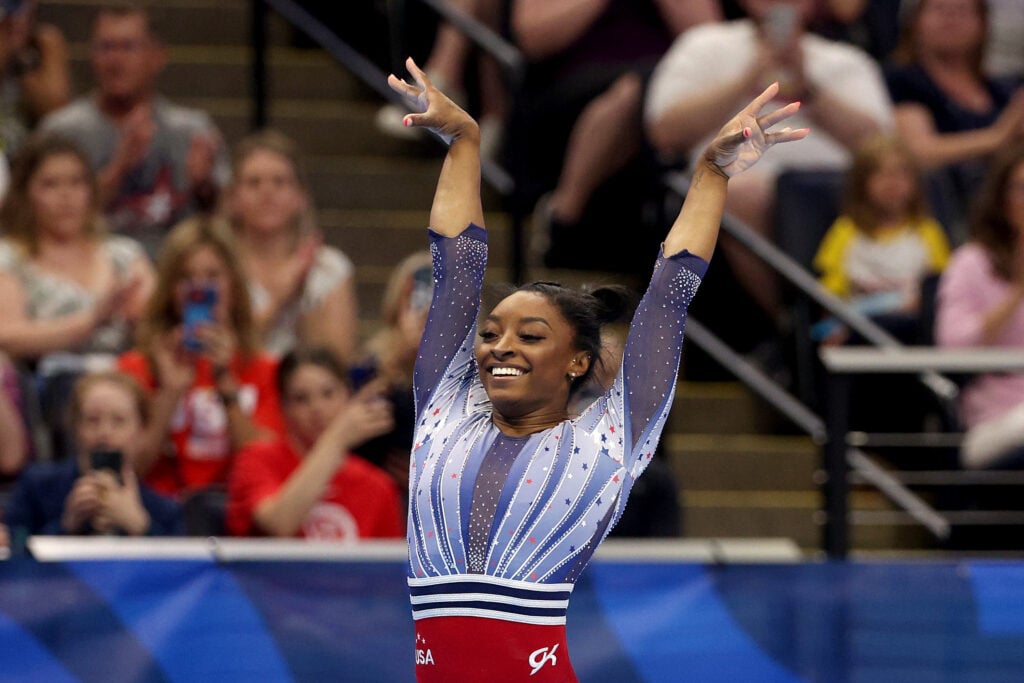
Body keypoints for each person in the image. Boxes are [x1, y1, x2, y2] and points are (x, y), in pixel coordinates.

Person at [387, 57, 807, 681]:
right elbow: (456, 270)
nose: (501, 346)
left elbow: (668, 296)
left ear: (578, 360)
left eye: (531, 336)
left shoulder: (607, 441)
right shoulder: (443, 412)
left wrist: (710, 176)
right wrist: (465, 143)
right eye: (493, 332)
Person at [645, 0, 892, 321]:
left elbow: (883, 146)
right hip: (740, 186)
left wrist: (807, 87)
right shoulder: (705, 45)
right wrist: (749, 79)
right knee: (741, 195)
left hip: (834, 190)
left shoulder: (845, 60)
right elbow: (665, 132)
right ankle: (794, 324)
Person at [509, 0, 722, 273]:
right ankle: (563, 215)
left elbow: (714, 42)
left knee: (659, 94)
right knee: (634, 92)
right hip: (573, 87)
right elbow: (532, 37)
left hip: (664, 83)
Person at [0, 132, 154, 458]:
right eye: (50, 185)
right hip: (49, 389)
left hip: (127, 381)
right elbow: (7, 335)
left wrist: (139, 319)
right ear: (26, 194)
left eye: (76, 183)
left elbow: (156, 324)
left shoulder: (124, 254)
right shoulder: (10, 258)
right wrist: (89, 322)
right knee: (81, 390)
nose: (66, 196)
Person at [39, 2, 228, 257]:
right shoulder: (60, 133)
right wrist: (119, 168)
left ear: (157, 57)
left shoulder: (192, 131)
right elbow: (35, 222)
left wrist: (205, 189)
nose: (115, 59)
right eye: (106, 47)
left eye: (128, 47)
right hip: (87, 270)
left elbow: (230, 225)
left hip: (174, 277)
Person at [118, 216, 284, 499]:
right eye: (186, 278)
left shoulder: (268, 369)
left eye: (212, 277)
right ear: (170, 289)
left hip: (237, 514)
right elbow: (129, 469)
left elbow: (271, 471)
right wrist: (169, 393)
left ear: (233, 285)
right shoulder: (135, 367)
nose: (199, 289)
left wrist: (227, 386)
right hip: (159, 516)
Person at [226, 347, 403, 540]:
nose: (317, 408)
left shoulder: (378, 486)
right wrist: (336, 440)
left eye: (328, 394)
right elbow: (279, 524)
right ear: (283, 407)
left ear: (347, 396)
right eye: (301, 399)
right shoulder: (256, 459)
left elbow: (389, 565)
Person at [1, 370, 184, 551]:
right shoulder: (37, 487)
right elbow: (15, 556)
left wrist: (142, 527)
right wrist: (66, 527)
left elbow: (184, 572)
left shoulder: (164, 511)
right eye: (92, 420)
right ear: (75, 427)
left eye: (118, 421)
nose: (104, 433)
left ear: (141, 431)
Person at [885, 0, 1024, 238]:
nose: (951, 19)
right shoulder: (903, 80)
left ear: (983, 23)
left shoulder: (1001, 89)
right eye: (940, 9)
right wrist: (997, 138)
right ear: (915, 20)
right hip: (950, 213)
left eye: (963, 11)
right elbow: (919, 152)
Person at [227, 129, 359, 362]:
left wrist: (303, 297)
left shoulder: (329, 267)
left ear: (301, 196)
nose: (266, 193)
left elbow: (338, 365)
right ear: (234, 197)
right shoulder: (218, 265)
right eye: (253, 182)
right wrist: (279, 299)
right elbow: (220, 356)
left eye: (280, 182)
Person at [812, 135, 951, 344]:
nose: (892, 183)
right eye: (880, 174)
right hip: (858, 331)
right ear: (861, 182)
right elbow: (830, 293)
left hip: (913, 332)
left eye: (901, 174)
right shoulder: (845, 230)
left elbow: (942, 289)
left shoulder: (928, 231)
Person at [935, 144, 1024, 470]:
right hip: (995, 416)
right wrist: (1017, 289)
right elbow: (953, 349)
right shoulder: (971, 263)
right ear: (1002, 198)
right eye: (1022, 190)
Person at [349, 250, 432, 495]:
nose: (428, 311)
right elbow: (362, 447)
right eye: (418, 298)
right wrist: (397, 362)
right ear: (399, 302)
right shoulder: (368, 370)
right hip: (383, 494)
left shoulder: (482, 371)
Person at [0, 0, 70, 163]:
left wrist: (23, 59)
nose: (15, 21)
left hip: (28, 166)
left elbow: (57, 112)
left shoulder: (43, 45)